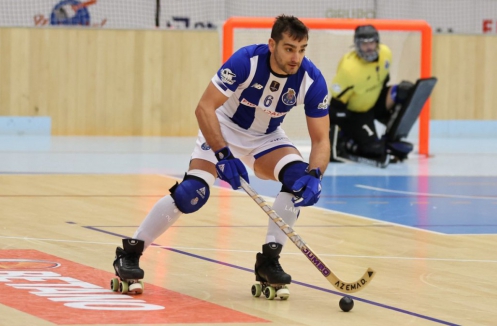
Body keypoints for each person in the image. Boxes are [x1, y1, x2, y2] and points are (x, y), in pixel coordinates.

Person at [112, 15, 330, 297]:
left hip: (266, 138)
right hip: (222, 129)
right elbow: (204, 108)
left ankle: (269, 261)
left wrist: (315, 175)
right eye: (289, 48)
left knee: (298, 179)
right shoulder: (246, 61)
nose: (296, 57)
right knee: (192, 192)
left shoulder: (311, 79)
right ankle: (130, 253)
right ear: (272, 44)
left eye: (302, 50)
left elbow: (322, 139)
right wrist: (222, 153)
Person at [329, 24, 415, 164]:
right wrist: (346, 130)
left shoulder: (386, 53)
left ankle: (391, 137)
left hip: (375, 102)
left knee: (405, 91)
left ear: (377, 42)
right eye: (364, 44)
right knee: (374, 149)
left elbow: (383, 82)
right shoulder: (349, 69)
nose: (369, 48)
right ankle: (348, 142)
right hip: (357, 114)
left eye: (372, 43)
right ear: (357, 45)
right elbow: (335, 107)